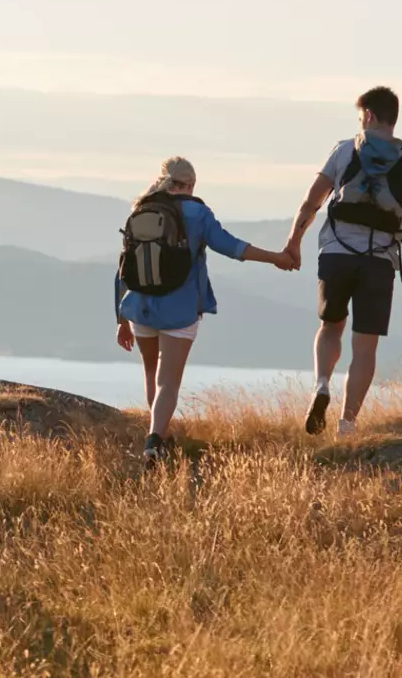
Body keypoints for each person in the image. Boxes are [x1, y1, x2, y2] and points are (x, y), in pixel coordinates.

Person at [115, 156, 298, 464]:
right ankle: (154, 441)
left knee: (151, 374)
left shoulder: (140, 209)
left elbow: (122, 269)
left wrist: (121, 318)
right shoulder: (198, 213)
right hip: (179, 309)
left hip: (139, 307)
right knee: (168, 382)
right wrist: (276, 258)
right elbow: (231, 247)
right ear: (191, 185)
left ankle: (162, 435)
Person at [280, 85, 402, 438]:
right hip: (379, 261)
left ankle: (321, 384)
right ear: (393, 118)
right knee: (365, 346)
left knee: (330, 327)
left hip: (336, 255)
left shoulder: (344, 150)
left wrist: (294, 242)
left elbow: (312, 202)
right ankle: (347, 425)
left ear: (368, 116)